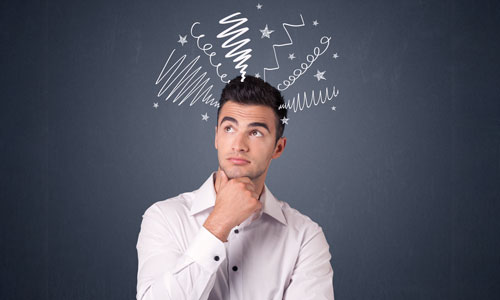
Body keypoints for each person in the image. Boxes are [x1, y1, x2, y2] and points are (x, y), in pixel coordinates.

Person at [136, 75, 334, 300]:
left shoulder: (305, 237)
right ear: (216, 137)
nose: (239, 145)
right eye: (229, 128)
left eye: (255, 132)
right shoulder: (164, 218)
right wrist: (219, 222)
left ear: (278, 148)